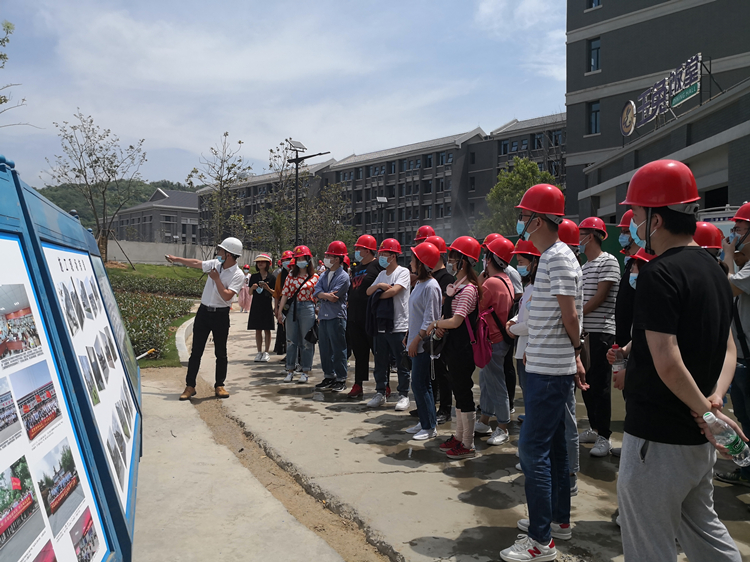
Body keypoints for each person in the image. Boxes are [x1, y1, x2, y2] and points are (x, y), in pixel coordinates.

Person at [614, 160, 742, 562]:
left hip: (658, 438)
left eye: (637, 214)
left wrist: (709, 415)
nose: (633, 224)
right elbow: (729, 349)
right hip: (696, 440)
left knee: (649, 546)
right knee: (704, 532)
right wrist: (713, 404)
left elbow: (667, 362)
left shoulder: (659, 274)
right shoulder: (715, 271)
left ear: (656, 219)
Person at [500, 184, 584, 562]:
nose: (521, 222)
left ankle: (540, 541)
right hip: (551, 367)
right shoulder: (558, 256)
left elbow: (570, 315)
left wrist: (576, 351)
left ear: (538, 220)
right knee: (553, 448)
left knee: (532, 451)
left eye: (524, 215)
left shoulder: (555, 258)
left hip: (548, 370)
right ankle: (557, 521)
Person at [167, 237, 246, 400]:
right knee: (196, 351)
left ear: (228, 254)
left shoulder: (238, 274)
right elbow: (197, 263)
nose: (218, 253)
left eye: (221, 250)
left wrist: (217, 280)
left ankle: (219, 385)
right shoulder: (215, 264)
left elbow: (227, 296)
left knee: (221, 352)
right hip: (204, 312)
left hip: (220, 314)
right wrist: (177, 259)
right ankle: (190, 386)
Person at [430, 236, 481, 460]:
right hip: (453, 347)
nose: (450, 262)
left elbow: (457, 321)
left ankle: (468, 443)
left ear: (464, 261)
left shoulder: (468, 289)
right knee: (458, 392)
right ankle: (459, 436)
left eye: (453, 259)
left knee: (463, 392)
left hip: (463, 348)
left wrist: (436, 324)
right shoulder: (456, 287)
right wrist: (441, 324)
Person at [578, 217, 620, 458]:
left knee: (601, 385)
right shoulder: (584, 267)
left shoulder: (608, 261)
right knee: (586, 383)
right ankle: (594, 428)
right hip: (585, 332)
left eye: (580, 234)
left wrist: (575, 315)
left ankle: (604, 435)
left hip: (602, 332)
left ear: (591, 236)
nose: (578, 239)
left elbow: (601, 296)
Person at [715, 203, 750, 489]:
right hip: (743, 358)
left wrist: (727, 255)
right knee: (745, 420)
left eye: (739, 229)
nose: (734, 234)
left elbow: (728, 287)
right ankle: (746, 472)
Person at [475, 235, 516, 446]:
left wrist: (479, 280)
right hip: (499, 339)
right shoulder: (505, 279)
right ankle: (484, 419)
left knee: (496, 383)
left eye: (486, 255)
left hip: (493, 340)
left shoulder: (491, 283)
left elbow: (474, 304)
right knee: (487, 380)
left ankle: (502, 426)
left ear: (490, 259)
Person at [366, 238, 411, 410]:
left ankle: (403, 394)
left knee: (401, 362)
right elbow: (369, 291)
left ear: (393, 256)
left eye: (384, 254)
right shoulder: (381, 275)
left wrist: (378, 294)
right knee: (380, 361)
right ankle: (380, 392)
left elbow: (394, 291)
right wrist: (379, 286)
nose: (381, 257)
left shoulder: (403, 272)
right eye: (381, 254)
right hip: (381, 325)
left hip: (399, 324)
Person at [403, 242, 442, 441]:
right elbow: (416, 315)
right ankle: (425, 420)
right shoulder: (419, 283)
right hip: (414, 341)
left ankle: (429, 427)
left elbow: (430, 320)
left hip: (423, 345)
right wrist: (408, 335)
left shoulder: (431, 287)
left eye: (413, 260)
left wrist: (416, 340)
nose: (411, 263)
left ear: (422, 263)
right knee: (419, 384)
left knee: (420, 384)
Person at [507, 239, 541, 423]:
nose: (518, 266)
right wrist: (512, 321)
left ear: (534, 262)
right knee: (526, 387)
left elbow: (533, 322)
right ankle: (531, 417)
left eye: (521, 262)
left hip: (531, 347)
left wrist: (512, 328)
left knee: (532, 390)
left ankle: (534, 423)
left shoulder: (540, 289)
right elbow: (522, 313)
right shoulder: (529, 287)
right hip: (522, 348)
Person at [347, 235, 382, 399]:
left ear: (367, 250)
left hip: (370, 317)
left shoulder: (377, 266)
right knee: (359, 353)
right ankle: (358, 384)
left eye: (358, 248)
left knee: (378, 353)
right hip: (354, 316)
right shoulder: (358, 267)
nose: (356, 251)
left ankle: (383, 385)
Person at [277, 246, 319, 384]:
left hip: (308, 307)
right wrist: (280, 311)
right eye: (298, 259)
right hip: (292, 308)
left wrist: (318, 311)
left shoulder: (315, 277)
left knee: (307, 341)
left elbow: (318, 296)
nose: (300, 261)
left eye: (302, 258)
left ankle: (305, 371)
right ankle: (290, 369)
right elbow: (285, 294)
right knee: (291, 340)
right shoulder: (291, 275)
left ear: (308, 260)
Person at [313, 241, 351, 393]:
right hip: (324, 316)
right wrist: (325, 295)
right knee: (324, 348)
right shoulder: (324, 274)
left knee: (338, 348)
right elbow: (316, 291)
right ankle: (329, 375)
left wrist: (323, 295)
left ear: (337, 259)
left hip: (337, 316)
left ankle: (341, 378)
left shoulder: (344, 277)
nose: (327, 258)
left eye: (329, 256)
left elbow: (335, 297)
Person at [424, 234, 454, 424]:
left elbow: (445, 305)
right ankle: (431, 404)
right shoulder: (430, 276)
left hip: (441, 330)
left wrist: (439, 326)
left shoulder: (446, 278)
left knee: (442, 372)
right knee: (432, 370)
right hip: (430, 329)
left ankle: (445, 408)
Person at [247, 254, 276, 362]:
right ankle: (259, 352)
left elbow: (275, 293)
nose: (260, 263)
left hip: (267, 305)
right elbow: (250, 293)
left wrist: (267, 288)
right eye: (258, 262)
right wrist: (253, 288)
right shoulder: (254, 277)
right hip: (256, 305)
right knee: (258, 329)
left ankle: (266, 352)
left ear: (267, 264)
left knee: (267, 329)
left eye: (262, 262)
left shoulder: (272, 277)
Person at [273, 250, 294, 356]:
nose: (287, 262)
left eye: (289, 259)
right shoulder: (280, 276)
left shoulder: (297, 274)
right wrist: (277, 308)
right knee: (283, 330)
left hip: (294, 305)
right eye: (284, 260)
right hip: (283, 305)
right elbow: (277, 293)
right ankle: (284, 351)